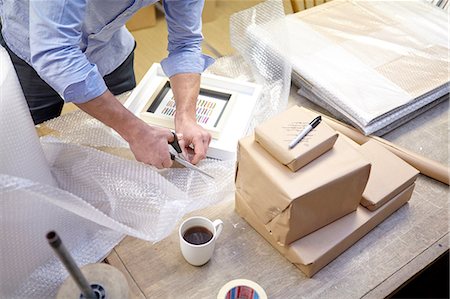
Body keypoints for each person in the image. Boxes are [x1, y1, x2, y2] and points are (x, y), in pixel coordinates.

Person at [0, 0, 213, 169]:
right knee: (29, 150)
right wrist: (137, 132)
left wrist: (186, 116)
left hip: (107, 45)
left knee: (124, 150)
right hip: (31, 50)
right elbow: (55, 52)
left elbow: (185, 43)